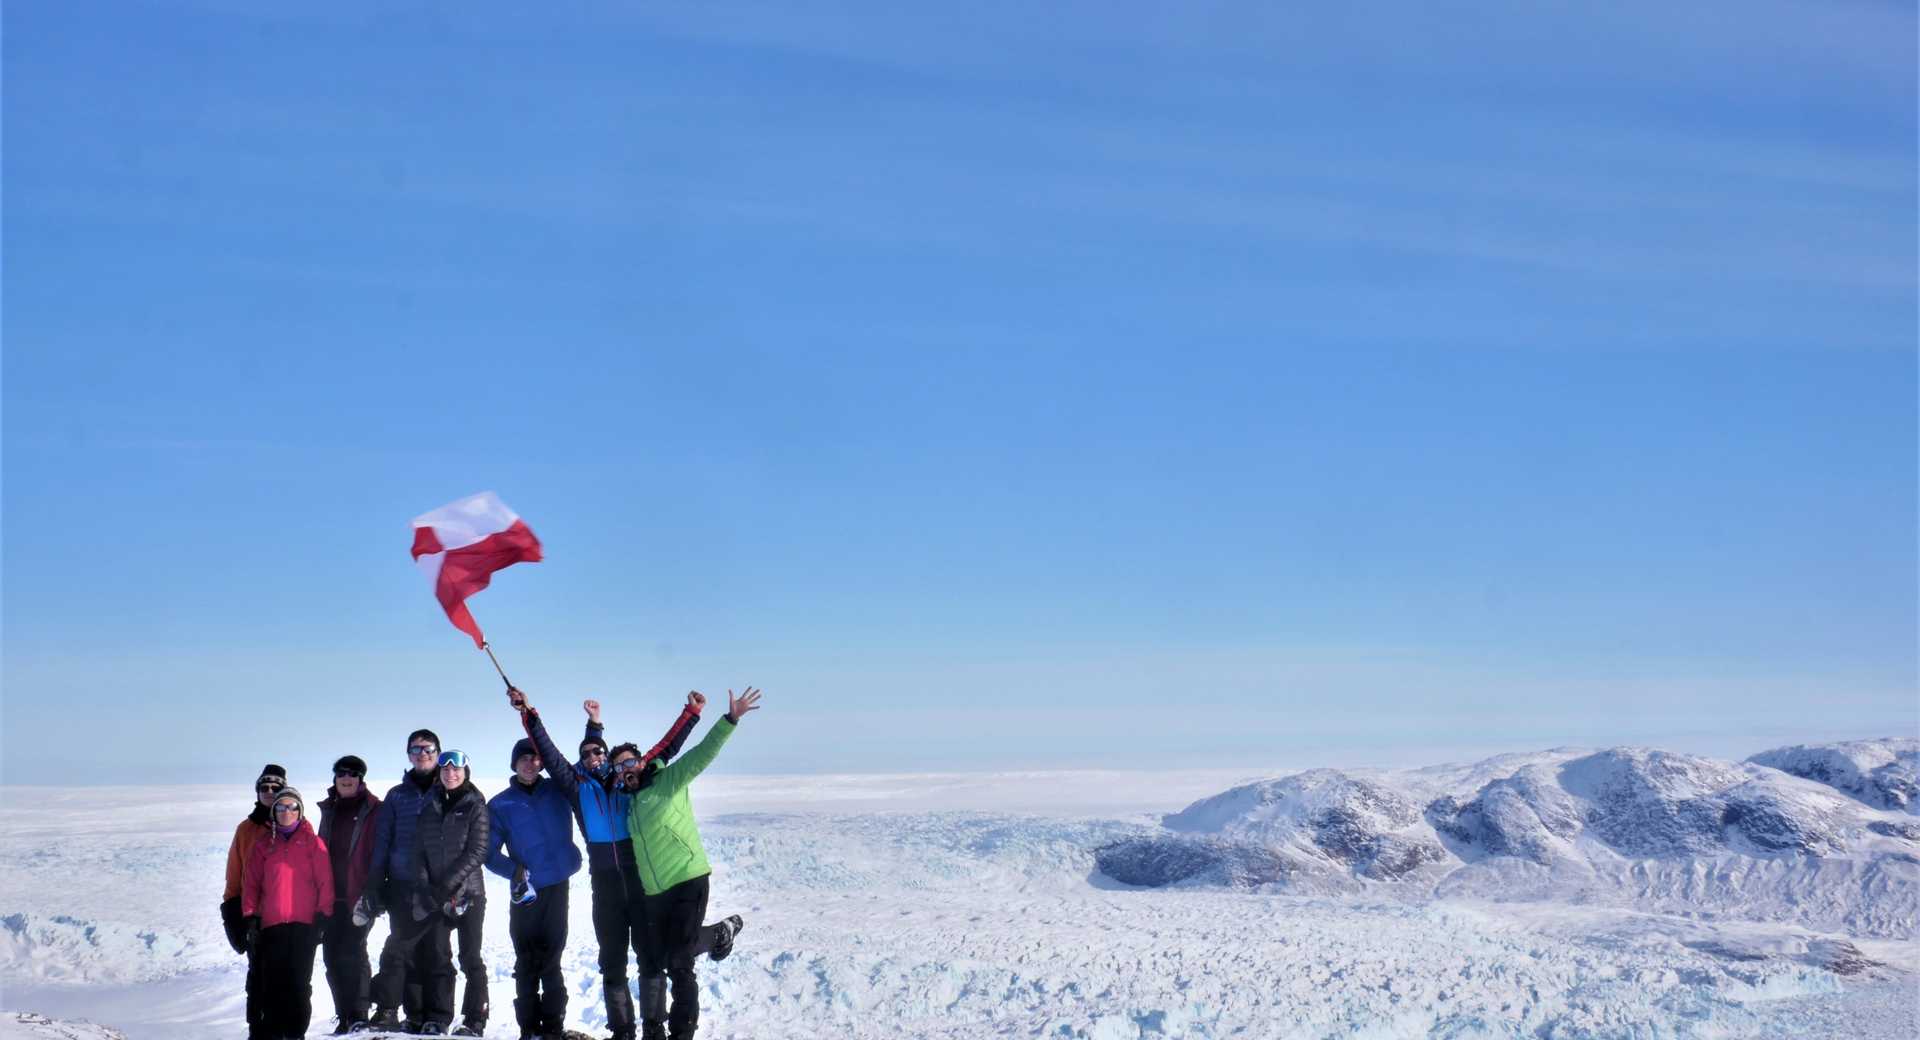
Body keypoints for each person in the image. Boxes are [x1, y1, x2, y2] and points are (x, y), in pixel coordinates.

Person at [509, 688, 701, 1040]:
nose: (594, 755)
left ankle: (654, 1030)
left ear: (608, 755)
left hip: (641, 885)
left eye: (599, 750)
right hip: (607, 889)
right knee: (612, 963)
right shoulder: (576, 787)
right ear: (581, 761)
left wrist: (690, 714)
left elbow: (664, 750)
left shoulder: (627, 779)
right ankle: (623, 1031)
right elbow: (549, 753)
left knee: (650, 958)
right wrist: (528, 713)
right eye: (586, 753)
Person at [625, 688, 760, 1040]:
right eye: (619, 764)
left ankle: (682, 1034)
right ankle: (719, 934)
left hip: (687, 878)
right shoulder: (628, 803)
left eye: (630, 761)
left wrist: (729, 720)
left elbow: (700, 755)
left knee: (679, 963)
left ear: (642, 761)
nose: (626, 768)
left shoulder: (668, 781)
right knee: (668, 954)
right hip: (656, 892)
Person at [486, 736, 582, 1040]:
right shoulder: (500, 804)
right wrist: (515, 872)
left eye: (535, 758)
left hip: (557, 886)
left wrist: (594, 727)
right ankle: (528, 1028)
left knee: (552, 958)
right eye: (523, 758)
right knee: (526, 959)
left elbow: (583, 764)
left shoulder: (558, 790)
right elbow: (488, 854)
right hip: (525, 892)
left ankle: (553, 1027)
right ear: (514, 764)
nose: (530, 763)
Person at [360, 729, 444, 1032]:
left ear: (438, 752)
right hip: (401, 882)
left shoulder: (448, 788)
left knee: (435, 951)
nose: (422, 754)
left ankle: (433, 1016)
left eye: (428, 749)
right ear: (408, 754)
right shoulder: (397, 795)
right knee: (399, 950)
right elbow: (382, 842)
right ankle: (399, 1012)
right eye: (415, 749)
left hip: (437, 886)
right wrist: (374, 884)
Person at [408, 749, 492, 1036]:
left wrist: (446, 886)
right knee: (438, 956)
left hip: (469, 894)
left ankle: (475, 1019)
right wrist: (425, 885)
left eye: (456, 770)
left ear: (466, 772)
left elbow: (478, 851)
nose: (450, 774)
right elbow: (418, 850)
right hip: (435, 896)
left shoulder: (475, 805)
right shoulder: (429, 805)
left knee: (470, 956)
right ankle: (439, 1017)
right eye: (445, 770)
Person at [242, 785, 335, 1040]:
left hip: (304, 926)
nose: (286, 811)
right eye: (281, 807)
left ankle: (295, 1033)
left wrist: (323, 916)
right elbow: (251, 884)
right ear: (274, 811)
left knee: (299, 985)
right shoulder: (263, 846)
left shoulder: (313, 844)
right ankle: (273, 1032)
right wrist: (251, 918)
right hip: (271, 926)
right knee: (272, 984)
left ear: (300, 811)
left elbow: (325, 882)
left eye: (292, 807)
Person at [316, 755, 381, 1034]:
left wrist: (375, 891)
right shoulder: (328, 809)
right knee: (332, 956)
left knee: (354, 953)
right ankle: (343, 1015)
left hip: (360, 894)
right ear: (335, 778)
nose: (346, 778)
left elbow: (382, 852)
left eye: (353, 774)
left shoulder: (374, 809)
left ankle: (359, 1015)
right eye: (341, 773)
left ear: (360, 779)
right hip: (331, 897)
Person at [225, 763, 287, 1040]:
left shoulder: (295, 825)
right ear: (257, 791)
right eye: (264, 787)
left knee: (289, 978)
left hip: (289, 918)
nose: (270, 792)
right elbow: (234, 875)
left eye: (276, 787)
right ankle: (258, 1032)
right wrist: (232, 916)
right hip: (255, 918)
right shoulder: (245, 830)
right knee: (258, 978)